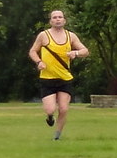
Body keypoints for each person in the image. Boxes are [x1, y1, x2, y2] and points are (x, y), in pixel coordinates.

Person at [28, 10, 89, 140]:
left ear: (64, 20)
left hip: (64, 78)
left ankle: (57, 136)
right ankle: (50, 117)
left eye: (60, 17)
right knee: (50, 109)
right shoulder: (44, 36)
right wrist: (39, 62)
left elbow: (85, 51)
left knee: (64, 108)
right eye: (54, 17)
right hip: (47, 78)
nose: (57, 19)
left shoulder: (70, 36)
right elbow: (32, 51)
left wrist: (75, 53)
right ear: (50, 21)